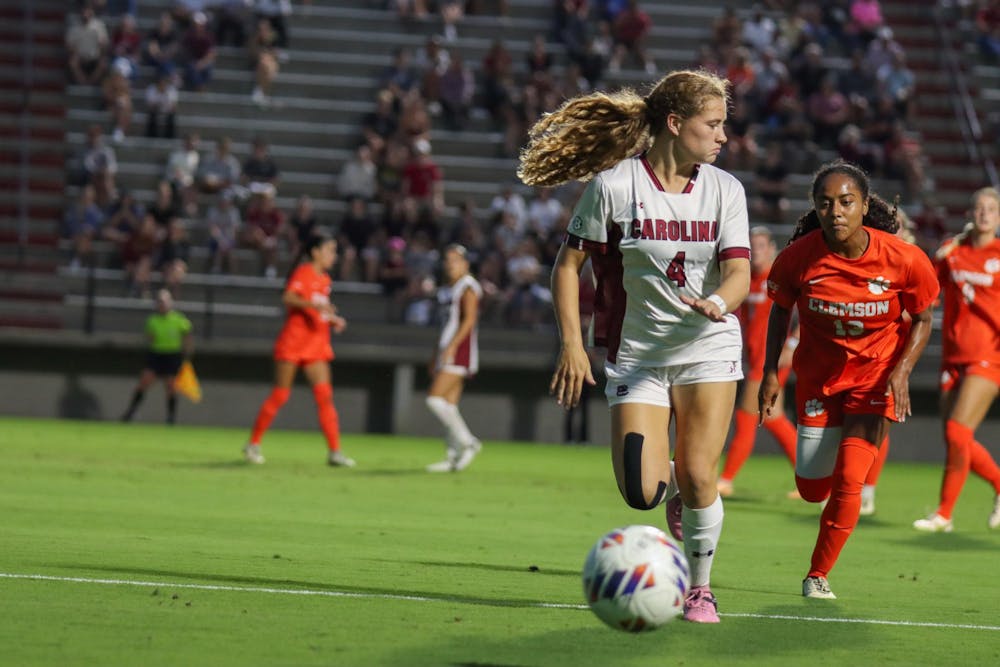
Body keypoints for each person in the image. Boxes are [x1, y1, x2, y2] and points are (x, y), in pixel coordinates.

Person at [520, 70, 752, 623]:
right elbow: (567, 267)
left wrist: (718, 303)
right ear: (675, 124)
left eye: (725, 125)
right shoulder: (615, 185)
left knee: (699, 474)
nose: (724, 137)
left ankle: (699, 588)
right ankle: (673, 501)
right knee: (641, 493)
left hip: (707, 347)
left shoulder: (726, 190)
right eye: (713, 124)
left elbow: (740, 272)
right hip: (638, 356)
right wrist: (572, 346)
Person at [758, 160, 939, 600]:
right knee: (810, 488)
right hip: (820, 383)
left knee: (849, 481)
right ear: (815, 209)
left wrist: (901, 372)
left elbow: (923, 317)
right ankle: (824, 485)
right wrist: (769, 373)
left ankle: (817, 575)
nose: (835, 211)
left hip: (875, 382)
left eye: (845, 202)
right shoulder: (797, 259)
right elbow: (780, 309)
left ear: (863, 206)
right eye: (825, 203)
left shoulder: (904, 258)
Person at [913, 187, 1000, 532]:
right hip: (953, 355)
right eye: (978, 207)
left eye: (990, 208)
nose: (983, 213)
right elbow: (930, 292)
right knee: (954, 438)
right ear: (970, 213)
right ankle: (948, 513)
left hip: (988, 356)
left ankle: (948, 511)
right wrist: (936, 257)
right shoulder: (954, 252)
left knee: (957, 430)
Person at [244, 231, 356, 467]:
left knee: (324, 397)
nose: (333, 256)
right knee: (281, 394)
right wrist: (311, 303)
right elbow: (288, 298)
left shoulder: (325, 280)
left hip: (316, 345)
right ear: (315, 252)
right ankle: (253, 444)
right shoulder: (304, 273)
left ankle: (335, 452)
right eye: (329, 250)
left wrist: (334, 319)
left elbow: (319, 309)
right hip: (293, 343)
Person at [716, 226, 798, 498]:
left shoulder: (780, 276)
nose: (757, 252)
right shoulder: (747, 279)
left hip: (772, 361)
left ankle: (725, 479)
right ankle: (813, 480)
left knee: (746, 416)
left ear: (772, 248)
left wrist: (793, 344)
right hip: (756, 359)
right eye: (753, 247)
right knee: (774, 419)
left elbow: (810, 310)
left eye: (762, 246)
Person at [425, 244, 484, 472]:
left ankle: (468, 441)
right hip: (449, 348)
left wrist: (451, 346)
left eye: (455, 260)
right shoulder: (451, 288)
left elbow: (469, 320)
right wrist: (435, 353)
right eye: (448, 260)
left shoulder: (468, 286)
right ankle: (453, 456)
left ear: (465, 264)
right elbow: (445, 325)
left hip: (460, 350)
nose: (450, 264)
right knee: (449, 405)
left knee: (434, 400)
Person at [121, 289, 193, 424]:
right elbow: (150, 337)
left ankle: (171, 418)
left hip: (172, 355)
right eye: (159, 302)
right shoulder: (152, 320)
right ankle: (131, 411)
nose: (162, 304)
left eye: (164, 302)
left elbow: (187, 338)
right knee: (144, 382)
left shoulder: (179, 320)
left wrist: (187, 356)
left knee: (171, 386)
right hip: (156, 354)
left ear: (170, 303)